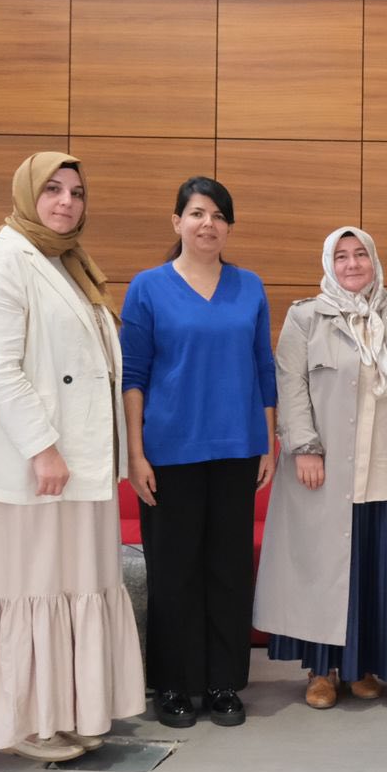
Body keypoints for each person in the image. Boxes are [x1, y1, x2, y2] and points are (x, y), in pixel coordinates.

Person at [0, 152, 145, 761]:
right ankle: (20, 721)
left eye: (77, 192)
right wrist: (43, 448)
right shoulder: (1, 261)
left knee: (73, 586)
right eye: (52, 190)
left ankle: (70, 707)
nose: (66, 202)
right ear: (27, 194)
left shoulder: (72, 266)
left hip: (79, 466)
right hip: (25, 467)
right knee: (24, 589)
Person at [120, 176, 277, 730]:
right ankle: (174, 684)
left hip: (237, 449)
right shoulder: (147, 287)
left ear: (229, 226)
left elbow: (263, 368)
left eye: (217, 215)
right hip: (169, 454)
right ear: (177, 222)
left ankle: (223, 682)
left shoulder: (249, 286)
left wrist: (268, 441)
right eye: (196, 212)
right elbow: (132, 377)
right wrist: (135, 454)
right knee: (174, 571)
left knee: (229, 570)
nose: (207, 223)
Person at [255, 226, 387, 708]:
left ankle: (366, 665)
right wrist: (304, 446)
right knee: (326, 570)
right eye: (342, 256)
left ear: (374, 262)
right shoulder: (306, 317)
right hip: (324, 469)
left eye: (361, 255)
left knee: (376, 564)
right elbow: (290, 383)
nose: (352, 265)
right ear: (329, 263)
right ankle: (322, 672)